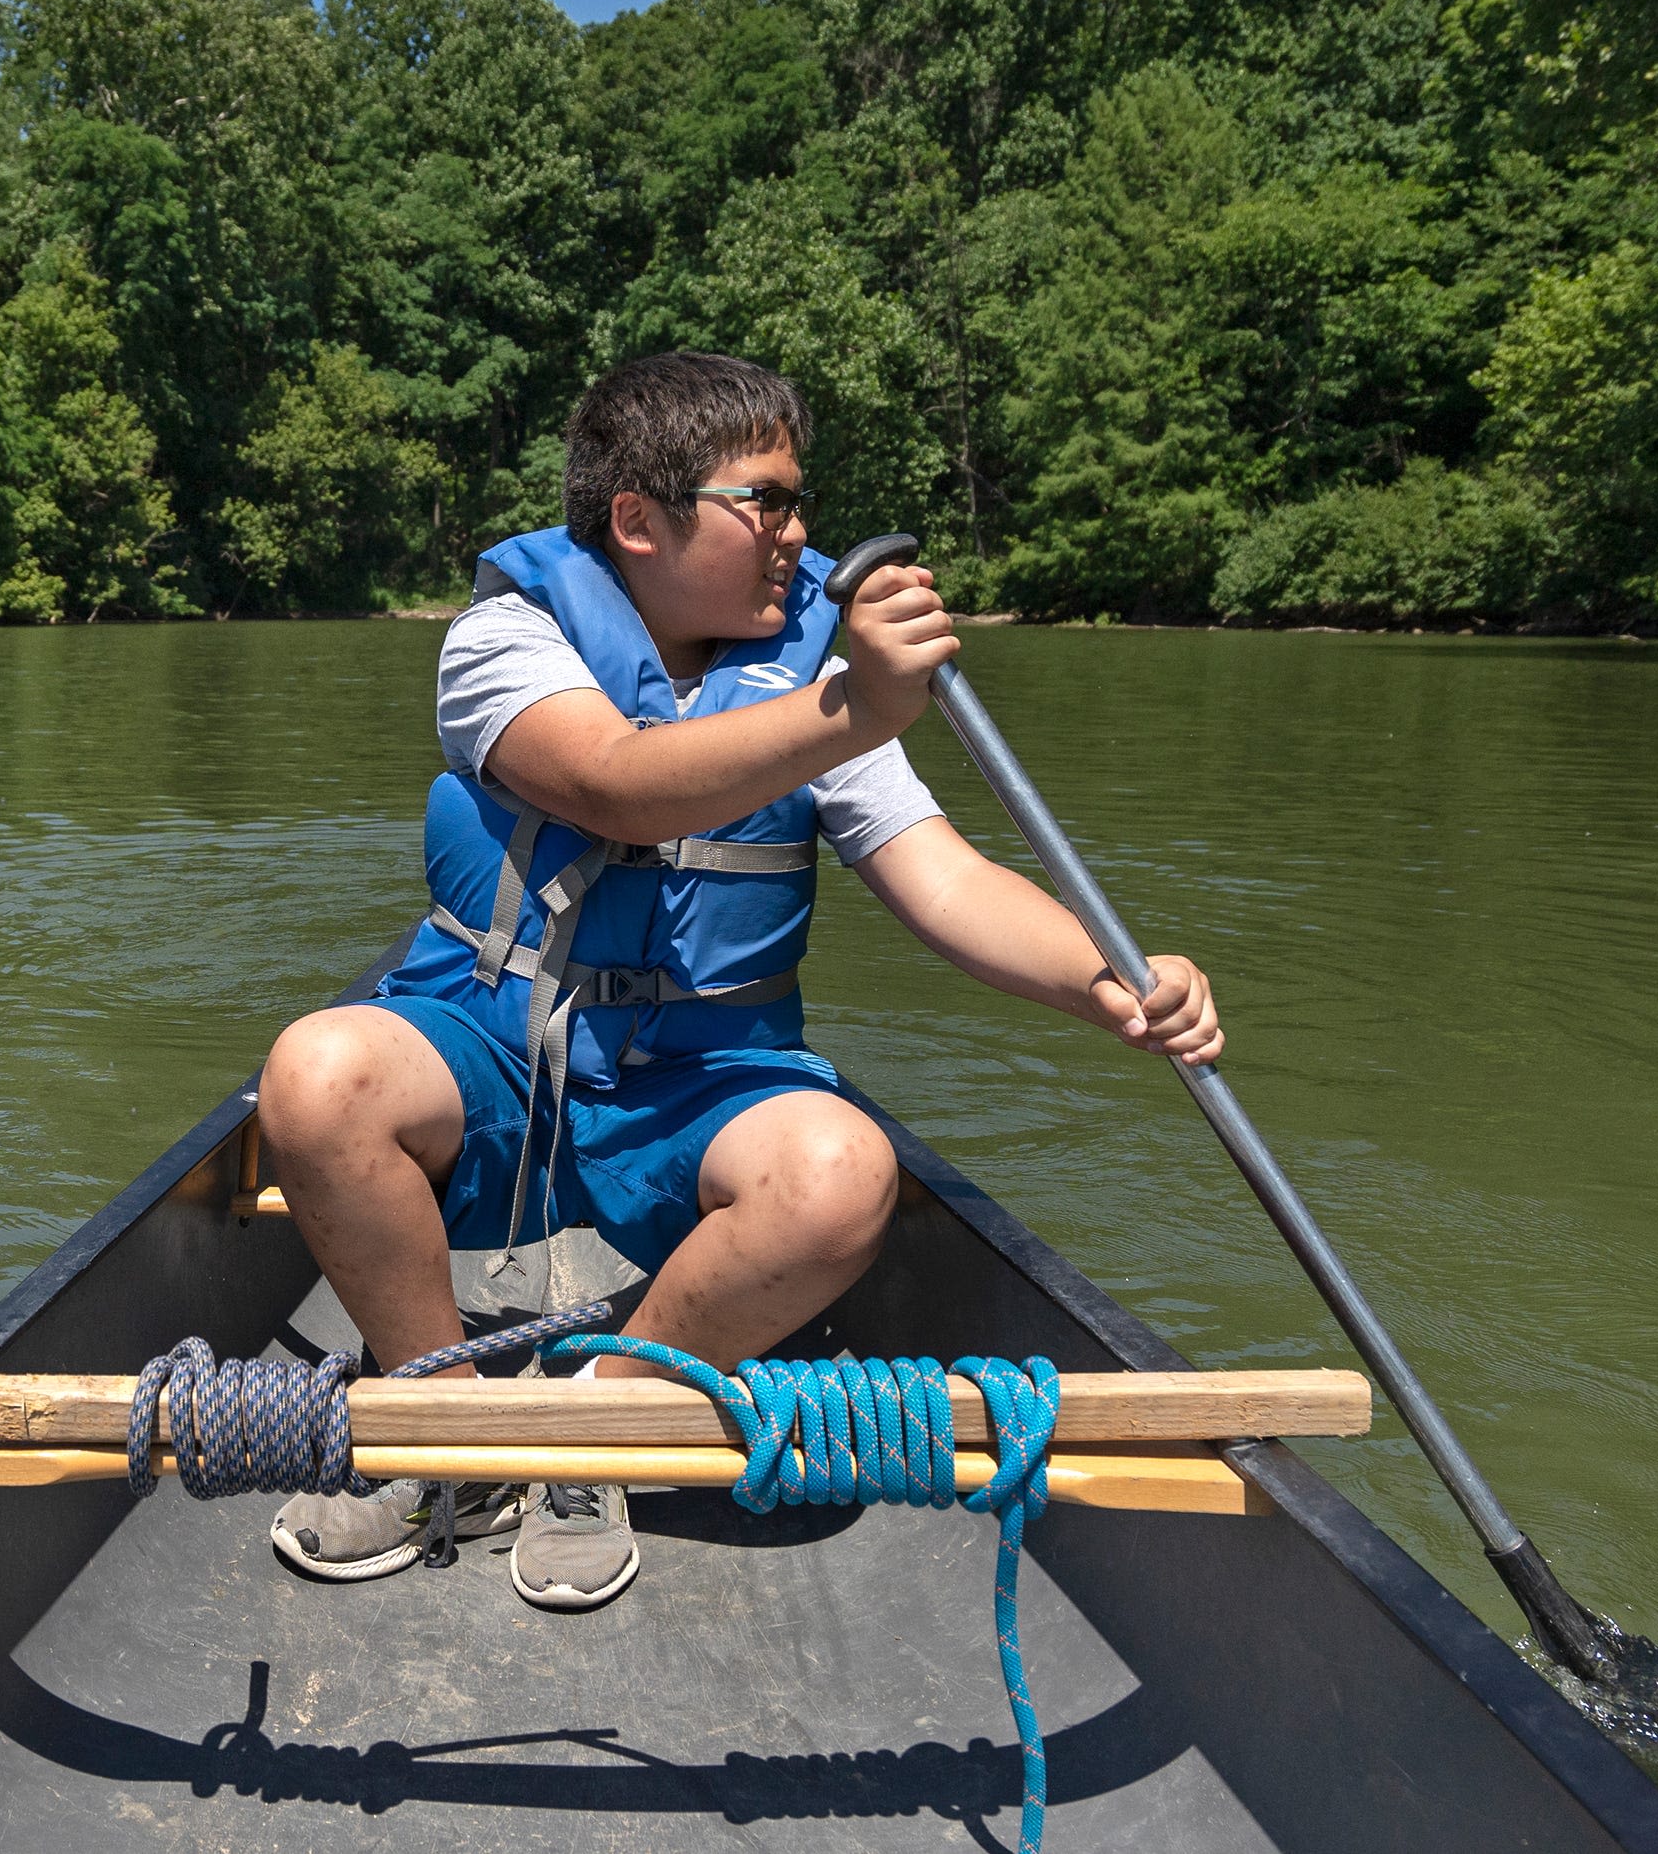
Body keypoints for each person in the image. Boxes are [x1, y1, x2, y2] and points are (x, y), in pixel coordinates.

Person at [254, 353, 1226, 1612]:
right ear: (640, 520)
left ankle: (594, 1430)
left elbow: (944, 883)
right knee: (316, 1074)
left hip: (701, 1082)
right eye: (764, 500)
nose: (799, 532)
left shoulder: (815, 678)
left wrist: (1110, 975)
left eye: (798, 499)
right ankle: (449, 1430)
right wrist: (855, 709)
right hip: (497, 1051)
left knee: (842, 1171)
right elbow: (613, 776)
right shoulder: (505, 637)